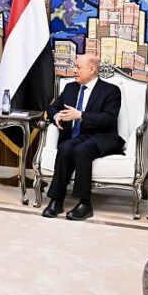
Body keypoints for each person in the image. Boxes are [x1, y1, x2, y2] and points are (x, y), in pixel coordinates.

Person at [41, 53, 123, 221]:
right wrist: (56, 115)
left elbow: (108, 119)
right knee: (65, 148)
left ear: (92, 69)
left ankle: (85, 204)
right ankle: (56, 200)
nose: (74, 71)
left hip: (102, 136)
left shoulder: (111, 91)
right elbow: (52, 108)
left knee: (82, 150)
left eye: (78, 67)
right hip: (77, 136)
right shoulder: (71, 88)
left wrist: (80, 115)